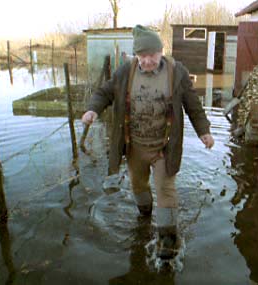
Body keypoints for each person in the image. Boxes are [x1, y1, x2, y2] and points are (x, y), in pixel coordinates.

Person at [82, 24, 214, 259]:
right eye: (142, 56)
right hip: (135, 147)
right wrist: (93, 110)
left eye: (151, 55)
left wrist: (204, 131)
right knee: (139, 187)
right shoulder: (125, 72)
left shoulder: (177, 72)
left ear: (161, 51)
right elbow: (104, 92)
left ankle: (167, 240)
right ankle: (144, 217)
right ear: (136, 55)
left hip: (164, 148)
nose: (147, 61)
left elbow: (192, 103)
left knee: (166, 189)